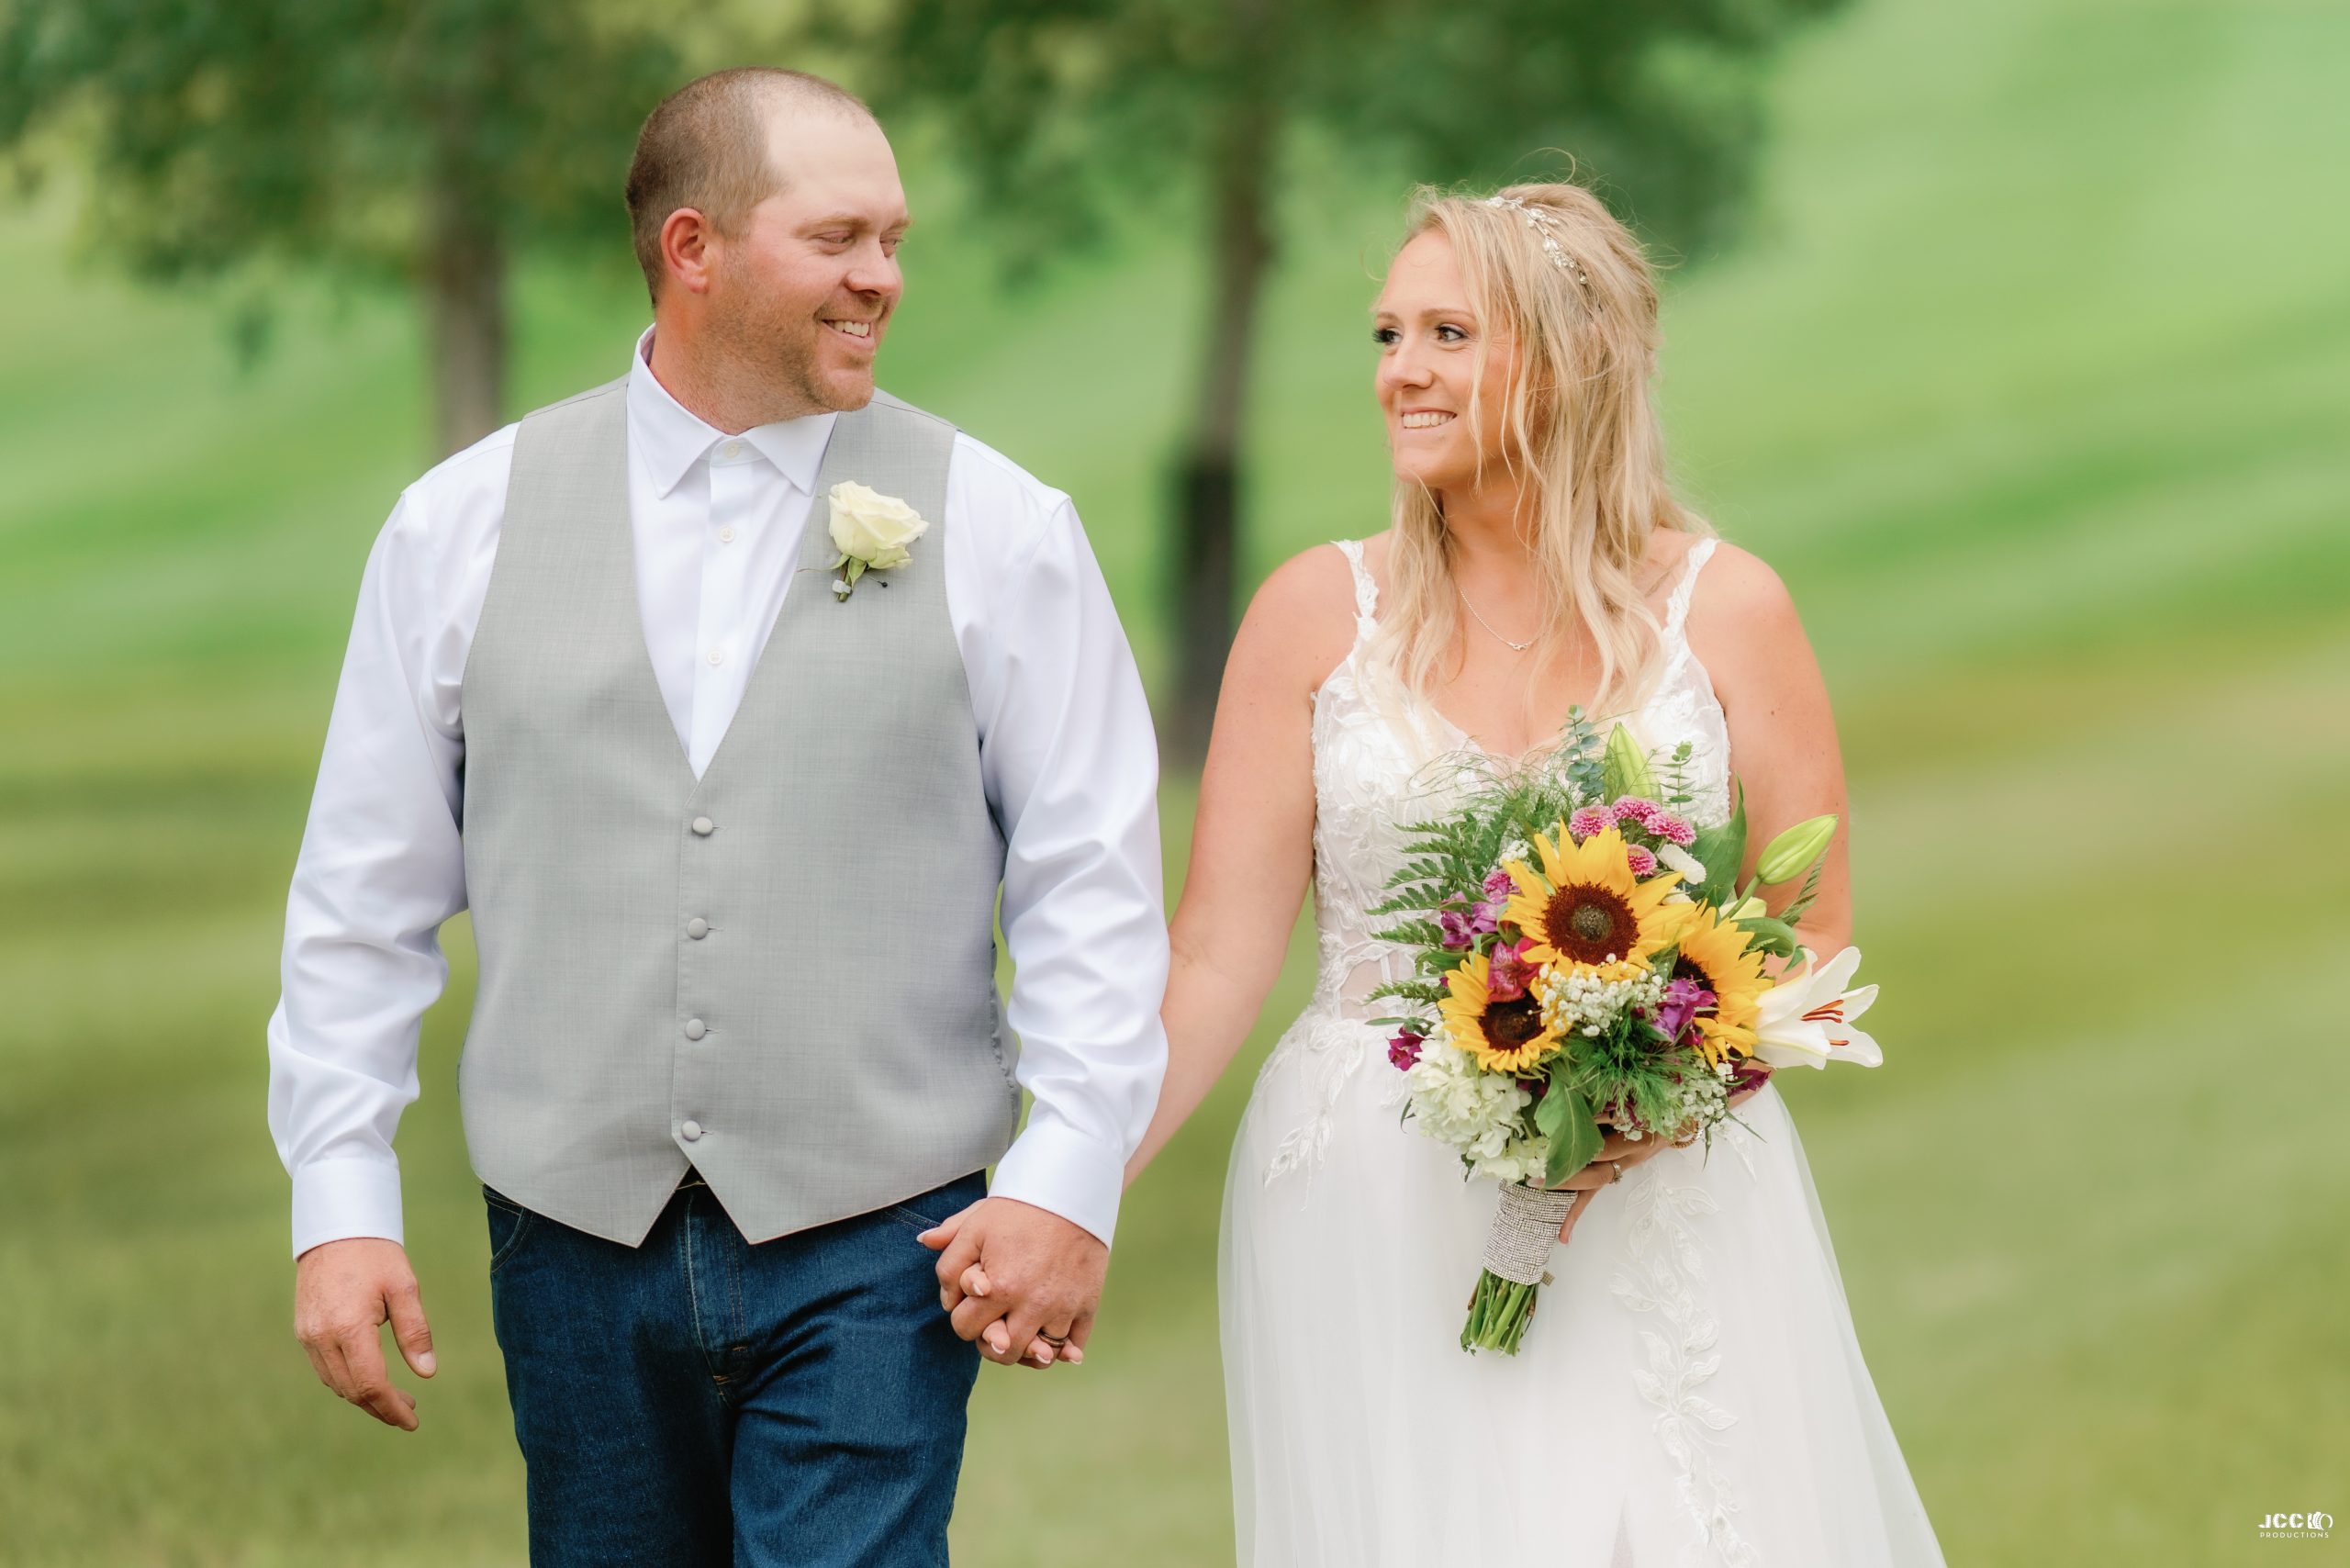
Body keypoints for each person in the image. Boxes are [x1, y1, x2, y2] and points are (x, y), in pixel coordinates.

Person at [265, 66, 1168, 1564]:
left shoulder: (1005, 528)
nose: (882, 277)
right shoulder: (460, 524)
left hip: (884, 1236)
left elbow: (1092, 885)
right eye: (837, 239)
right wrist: (340, 1195)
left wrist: (1067, 1175)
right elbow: (361, 899)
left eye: (892, 240)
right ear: (694, 248)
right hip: (569, 1236)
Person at [1130, 183, 1947, 1564]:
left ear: (1572, 361)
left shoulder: (1729, 609)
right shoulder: (1314, 613)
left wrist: (1647, 1088)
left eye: (1450, 333)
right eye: (1389, 334)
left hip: (1661, 1194)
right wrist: (1068, 1189)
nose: (1401, 371)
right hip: (1369, 1197)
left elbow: (1813, 948)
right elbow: (1213, 958)